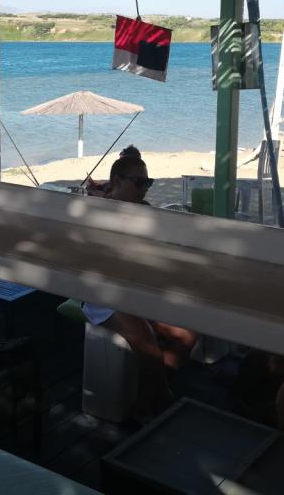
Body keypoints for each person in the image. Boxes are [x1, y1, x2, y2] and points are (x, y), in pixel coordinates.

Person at [81, 152, 198, 417]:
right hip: (105, 297)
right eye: (139, 182)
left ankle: (150, 392)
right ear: (116, 182)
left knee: (188, 334)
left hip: (137, 291)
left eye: (148, 182)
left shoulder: (142, 211)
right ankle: (160, 397)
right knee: (146, 341)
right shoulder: (96, 212)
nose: (144, 188)